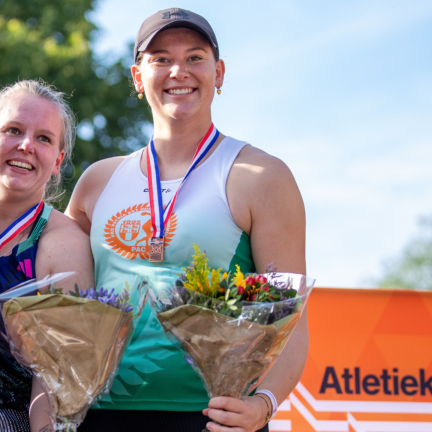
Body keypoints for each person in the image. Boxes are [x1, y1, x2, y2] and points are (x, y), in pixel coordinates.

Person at [66, 8, 308, 432]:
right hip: (99, 415)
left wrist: (264, 404)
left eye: (195, 57)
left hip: (213, 417)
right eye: (160, 58)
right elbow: (65, 305)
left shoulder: (261, 175)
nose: (179, 70)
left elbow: (292, 319)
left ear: (218, 72)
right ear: (138, 78)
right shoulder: (96, 181)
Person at [0, 80, 94, 432]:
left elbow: (58, 378)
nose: (26, 145)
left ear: (57, 161)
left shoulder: (64, 244)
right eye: (13, 130)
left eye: (44, 138)